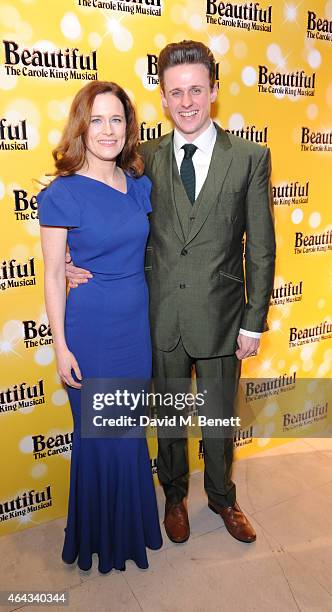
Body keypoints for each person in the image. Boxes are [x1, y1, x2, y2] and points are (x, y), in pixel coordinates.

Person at [66, 41, 276, 545]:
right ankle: (175, 497)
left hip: (225, 318)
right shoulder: (143, 158)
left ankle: (224, 498)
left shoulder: (250, 157)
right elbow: (106, 214)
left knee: (221, 417)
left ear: (214, 92)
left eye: (196, 90)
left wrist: (253, 321)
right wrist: (73, 261)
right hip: (157, 317)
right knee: (167, 416)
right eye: (175, 92)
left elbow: (262, 248)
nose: (186, 102)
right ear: (162, 98)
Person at [37, 81, 162, 574]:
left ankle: (132, 531)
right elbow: (50, 273)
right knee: (98, 434)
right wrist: (60, 346)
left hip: (135, 328)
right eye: (97, 120)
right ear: (81, 128)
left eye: (117, 119)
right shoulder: (62, 193)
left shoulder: (138, 184)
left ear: (128, 127)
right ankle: (99, 540)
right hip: (90, 329)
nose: (108, 130)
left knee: (128, 432)